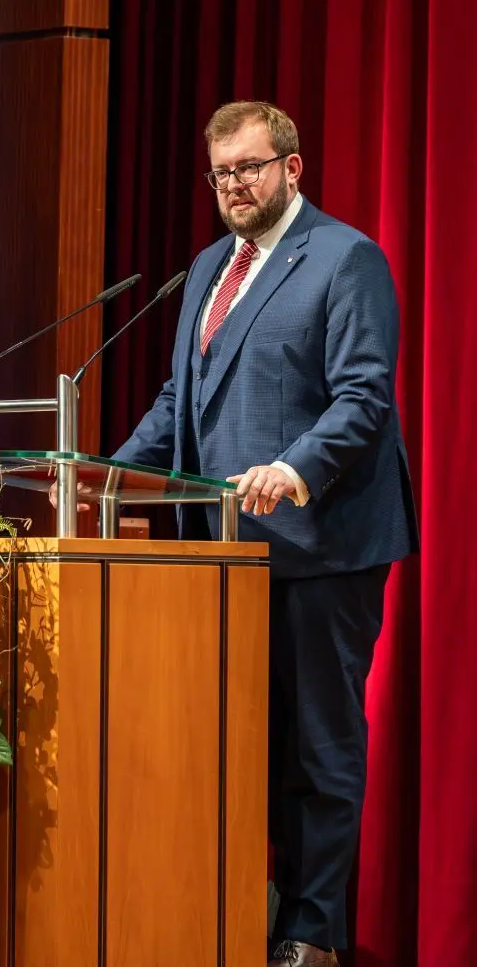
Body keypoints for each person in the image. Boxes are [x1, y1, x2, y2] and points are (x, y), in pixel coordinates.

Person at [115, 101, 418, 967]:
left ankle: (314, 936)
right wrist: (100, 479)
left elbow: (364, 396)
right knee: (245, 747)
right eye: (221, 174)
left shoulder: (345, 257)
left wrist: (296, 467)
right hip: (228, 553)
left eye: (250, 167)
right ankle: (255, 912)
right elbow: (180, 407)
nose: (235, 186)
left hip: (322, 545)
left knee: (316, 751)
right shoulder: (212, 266)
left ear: (292, 166)